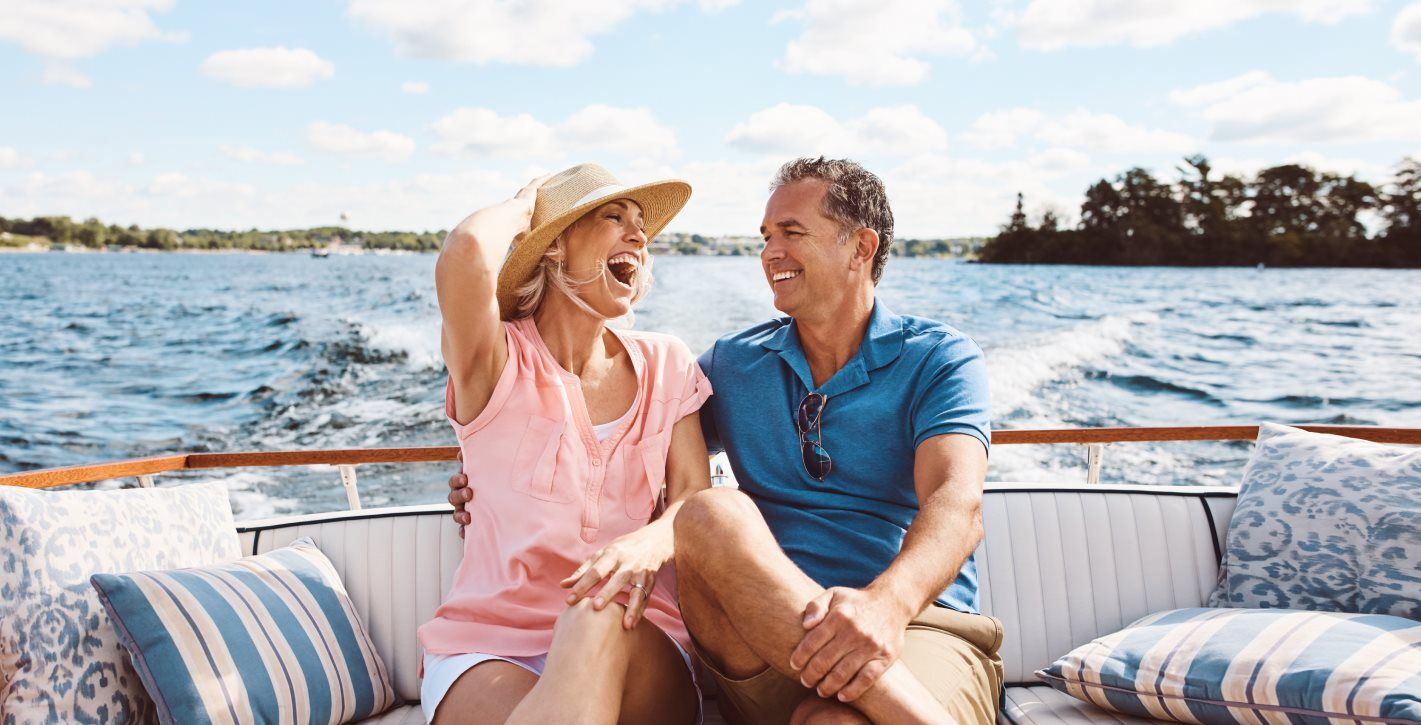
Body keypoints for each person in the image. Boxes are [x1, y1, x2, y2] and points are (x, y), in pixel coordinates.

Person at [448, 157, 1001, 724]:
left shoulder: (939, 358)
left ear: (861, 247)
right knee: (713, 511)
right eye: (766, 237)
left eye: (792, 233)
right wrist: (489, 483)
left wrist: (886, 606)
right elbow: (620, 448)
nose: (771, 253)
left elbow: (957, 505)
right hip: (762, 636)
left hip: (915, 622)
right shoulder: (732, 365)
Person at [422, 163, 712, 725]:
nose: (638, 235)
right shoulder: (495, 361)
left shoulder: (667, 364)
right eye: (614, 217)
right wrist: (526, 205)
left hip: (637, 637)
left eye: (642, 227)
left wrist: (650, 543)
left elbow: (694, 498)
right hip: (489, 645)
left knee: (596, 611)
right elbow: (465, 253)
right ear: (555, 248)